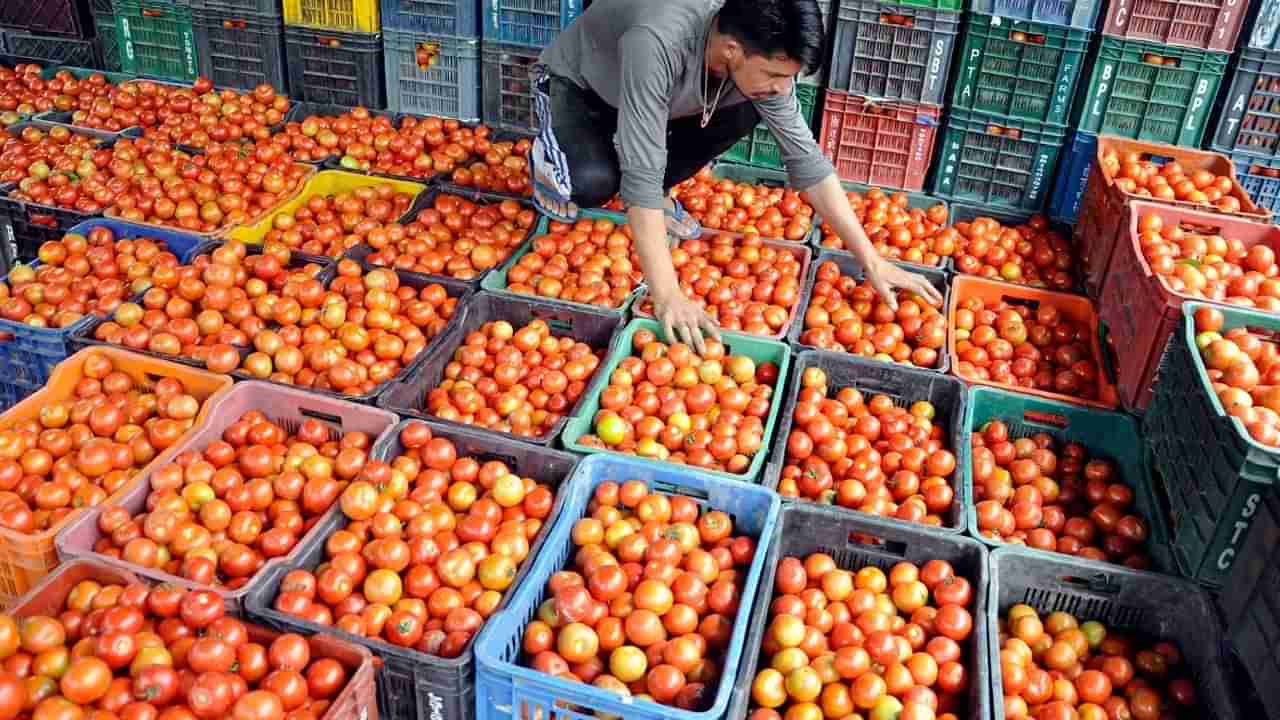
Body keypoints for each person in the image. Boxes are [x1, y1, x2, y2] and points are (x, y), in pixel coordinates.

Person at [530, 0, 943, 352]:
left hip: (653, 100)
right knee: (592, 184)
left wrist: (871, 259)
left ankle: (651, 193)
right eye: (776, 75)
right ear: (730, 50)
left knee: (748, 107)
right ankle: (548, 157)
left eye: (789, 77)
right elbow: (641, 176)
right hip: (583, 87)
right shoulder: (657, 42)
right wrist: (668, 295)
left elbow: (807, 159)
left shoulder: (757, 58)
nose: (784, 88)